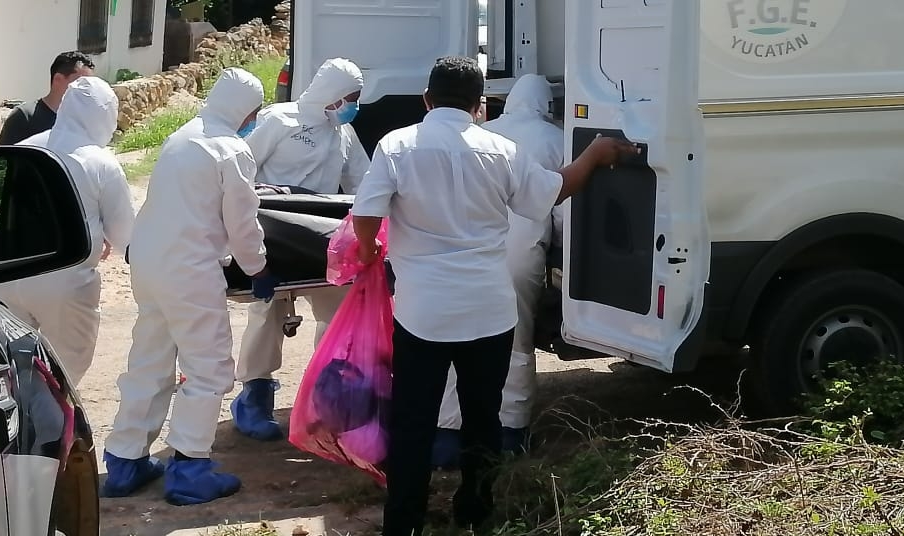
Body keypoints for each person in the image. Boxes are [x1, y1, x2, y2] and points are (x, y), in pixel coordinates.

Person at [349, 56, 638, 535]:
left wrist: (364, 252)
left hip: (424, 313)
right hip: (488, 311)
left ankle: (404, 523)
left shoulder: (397, 145)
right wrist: (594, 156)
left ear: (426, 99)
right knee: (483, 419)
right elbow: (552, 191)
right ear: (479, 106)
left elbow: (366, 213)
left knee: (414, 419)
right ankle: (476, 515)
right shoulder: (500, 150)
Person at [102, 67, 276, 506]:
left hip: (149, 260)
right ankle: (190, 469)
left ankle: (125, 462)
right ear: (246, 110)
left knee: (149, 360)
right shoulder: (231, 148)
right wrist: (257, 269)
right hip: (189, 268)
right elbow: (242, 224)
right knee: (209, 367)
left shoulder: (183, 135)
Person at [230, 57, 370, 441]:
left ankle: (330, 393)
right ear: (332, 94)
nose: (353, 106)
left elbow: (363, 180)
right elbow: (243, 167)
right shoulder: (279, 120)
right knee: (266, 314)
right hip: (271, 235)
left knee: (337, 309)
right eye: (350, 98)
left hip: (316, 238)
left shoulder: (342, 135)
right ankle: (254, 396)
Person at [431, 74, 562, 469]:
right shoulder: (555, 138)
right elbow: (560, 206)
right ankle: (510, 433)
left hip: (470, 252)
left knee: (457, 344)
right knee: (515, 345)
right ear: (546, 105)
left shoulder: (484, 131)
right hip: (520, 257)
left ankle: (447, 438)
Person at [0, 76, 135, 386]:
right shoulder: (101, 161)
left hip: (7, 277)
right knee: (64, 369)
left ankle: (17, 418)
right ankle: (49, 423)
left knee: (13, 362)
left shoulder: (24, 148)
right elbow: (125, 235)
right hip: (65, 282)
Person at [0, 51, 95, 145]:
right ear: (58, 79)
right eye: (81, 83)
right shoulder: (24, 117)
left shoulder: (81, 122)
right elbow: (1, 160)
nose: (87, 90)